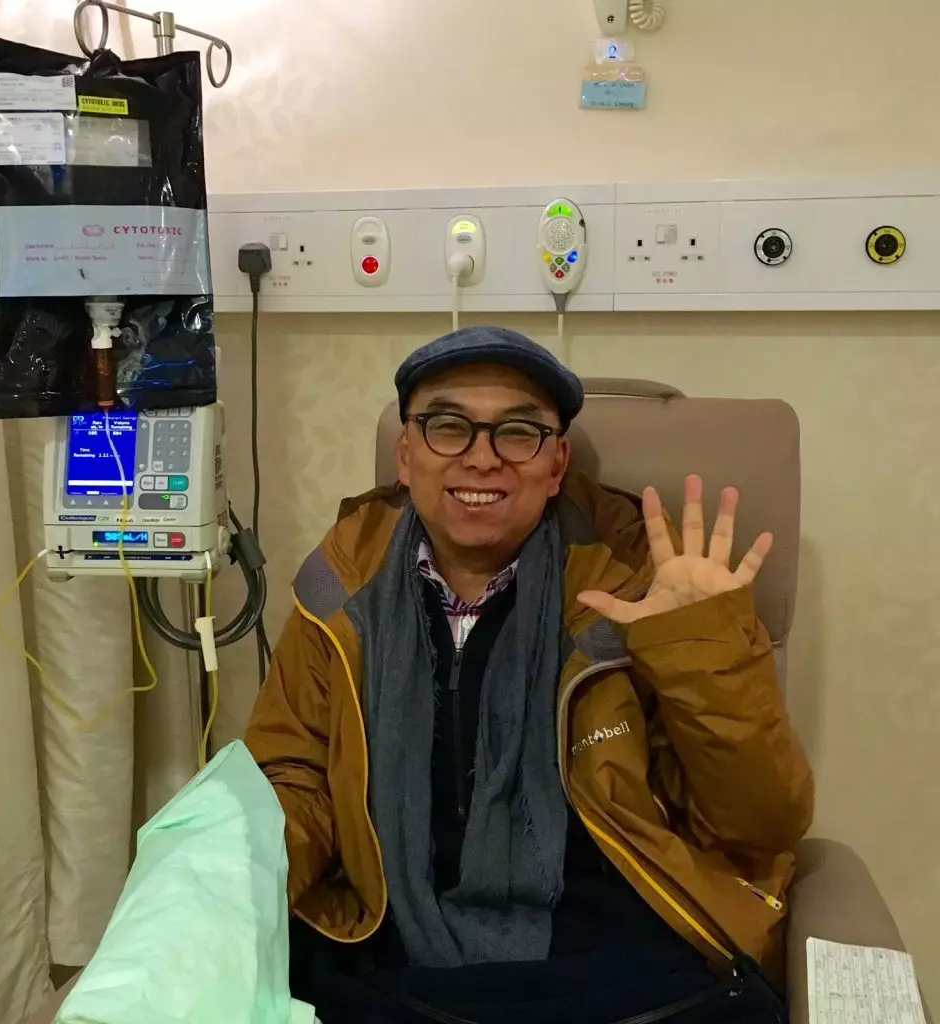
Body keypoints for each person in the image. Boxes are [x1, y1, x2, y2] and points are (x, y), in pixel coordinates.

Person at [244, 326, 814, 1024]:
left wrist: (700, 643)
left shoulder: (638, 583)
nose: (482, 458)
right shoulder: (341, 587)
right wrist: (226, 880)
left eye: (518, 432)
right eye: (448, 426)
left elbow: (760, 825)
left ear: (556, 464)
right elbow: (293, 777)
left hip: (616, 963)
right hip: (394, 961)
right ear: (406, 454)